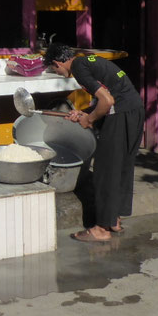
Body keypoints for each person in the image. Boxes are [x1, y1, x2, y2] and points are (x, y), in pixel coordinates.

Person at [44, 43, 144, 242]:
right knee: (122, 165)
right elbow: (107, 97)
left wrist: (88, 120)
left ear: (57, 63)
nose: (57, 73)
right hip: (135, 111)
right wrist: (84, 113)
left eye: (54, 69)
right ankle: (114, 219)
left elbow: (107, 101)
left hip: (120, 114)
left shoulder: (79, 68)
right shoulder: (88, 61)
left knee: (105, 169)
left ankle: (100, 229)